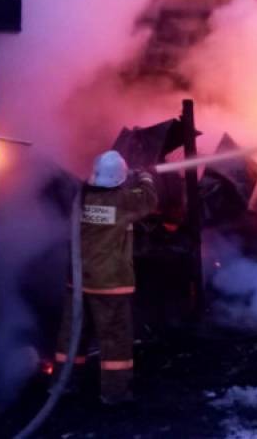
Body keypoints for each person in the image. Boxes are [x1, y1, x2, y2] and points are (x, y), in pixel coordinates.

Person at [53, 150, 158, 405]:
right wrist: (145, 176)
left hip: (79, 280)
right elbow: (149, 200)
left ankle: (63, 384)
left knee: (72, 334)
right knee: (115, 339)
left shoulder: (81, 195)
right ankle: (114, 393)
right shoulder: (124, 199)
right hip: (110, 283)